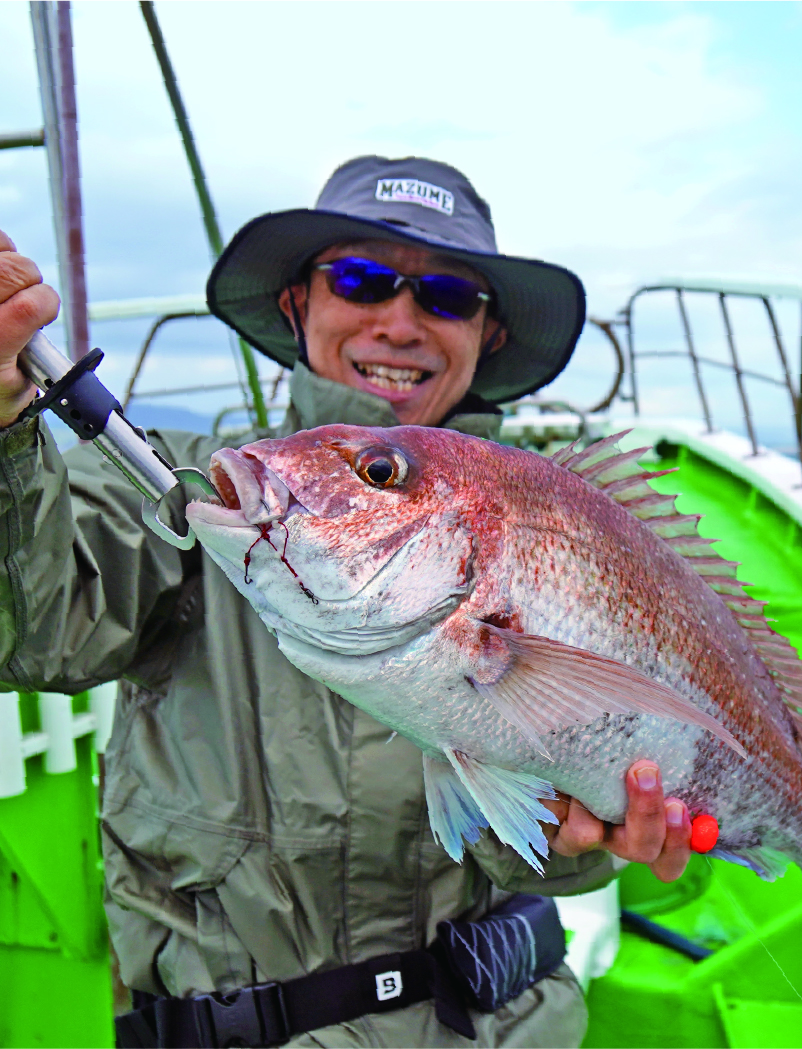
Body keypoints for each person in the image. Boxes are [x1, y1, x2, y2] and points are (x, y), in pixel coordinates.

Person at [0, 157, 695, 1048]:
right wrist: (6, 433)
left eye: (446, 297)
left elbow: (554, 818)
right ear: (298, 305)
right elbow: (35, 625)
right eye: (361, 280)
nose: (399, 322)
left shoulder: (549, 526)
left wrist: (582, 843)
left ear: (488, 333)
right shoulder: (186, 494)